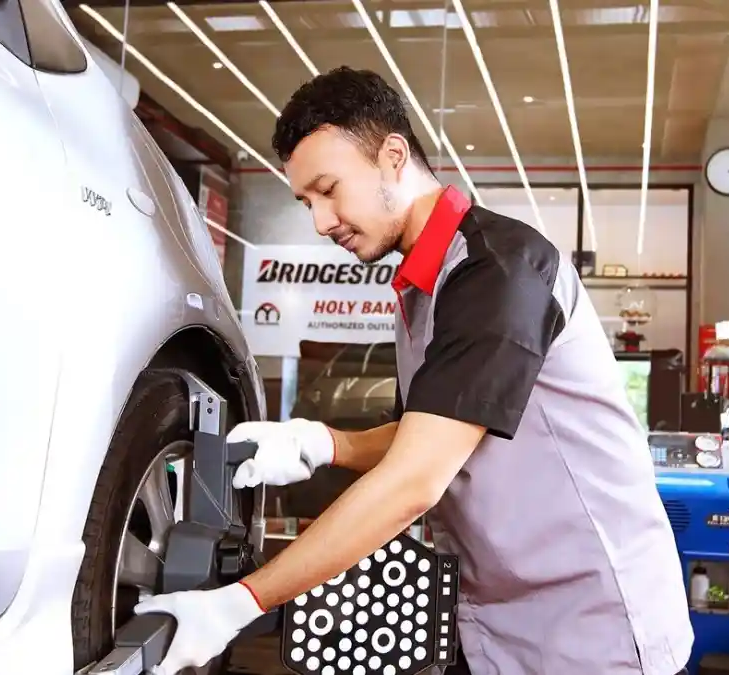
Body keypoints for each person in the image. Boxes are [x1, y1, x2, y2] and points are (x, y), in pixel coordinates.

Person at [133, 66, 693, 675]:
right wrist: (321, 443)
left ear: (393, 157)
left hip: (592, 628)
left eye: (329, 189)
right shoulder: (424, 288)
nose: (321, 221)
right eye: (307, 203)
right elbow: (426, 433)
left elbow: (413, 480)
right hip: (500, 624)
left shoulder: (498, 272)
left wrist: (242, 602)